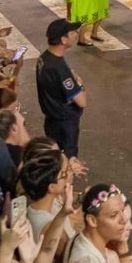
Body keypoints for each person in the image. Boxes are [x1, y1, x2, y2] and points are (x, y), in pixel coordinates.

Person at [35, 18, 86, 158]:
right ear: (63, 40)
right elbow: (82, 101)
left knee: (55, 155)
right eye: (72, 33)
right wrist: (79, 84)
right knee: (68, 158)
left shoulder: (44, 58)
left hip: (51, 117)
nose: (76, 34)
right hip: (65, 121)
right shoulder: (59, 68)